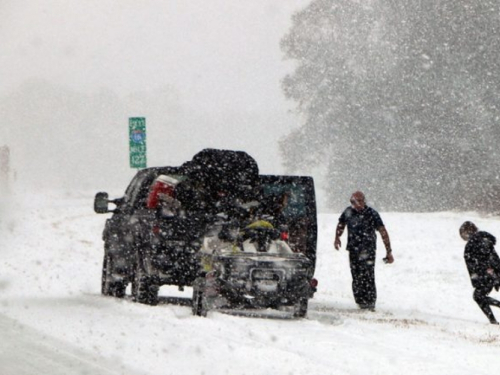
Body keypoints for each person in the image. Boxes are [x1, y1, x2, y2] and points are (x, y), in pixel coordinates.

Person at [334, 191, 394, 310]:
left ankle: (370, 302)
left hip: (368, 250)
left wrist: (389, 251)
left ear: (363, 201)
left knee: (368, 276)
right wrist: (337, 237)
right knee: (356, 276)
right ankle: (360, 301)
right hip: (353, 250)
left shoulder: (372, 214)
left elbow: (383, 232)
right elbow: (341, 225)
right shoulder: (348, 212)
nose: (356, 204)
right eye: (353, 202)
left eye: (358, 201)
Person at [459, 221, 500, 324]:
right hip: (491, 273)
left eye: (462, 234)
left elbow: (479, 262)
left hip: (486, 274)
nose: (462, 237)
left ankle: (493, 320)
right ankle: (493, 320)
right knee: (479, 296)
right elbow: (493, 258)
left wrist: (490, 274)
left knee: (478, 296)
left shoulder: (473, 243)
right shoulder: (483, 239)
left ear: (467, 231)